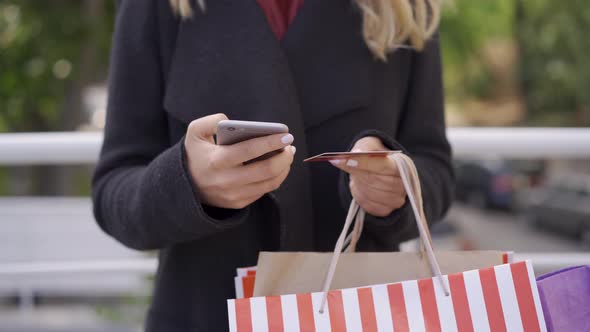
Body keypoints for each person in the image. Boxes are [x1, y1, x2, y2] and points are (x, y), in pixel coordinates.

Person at [92, 0, 453, 330]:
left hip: (357, 314)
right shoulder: (158, 7)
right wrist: (188, 184)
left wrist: (396, 188)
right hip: (206, 314)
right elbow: (114, 192)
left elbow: (434, 167)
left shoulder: (401, 7)